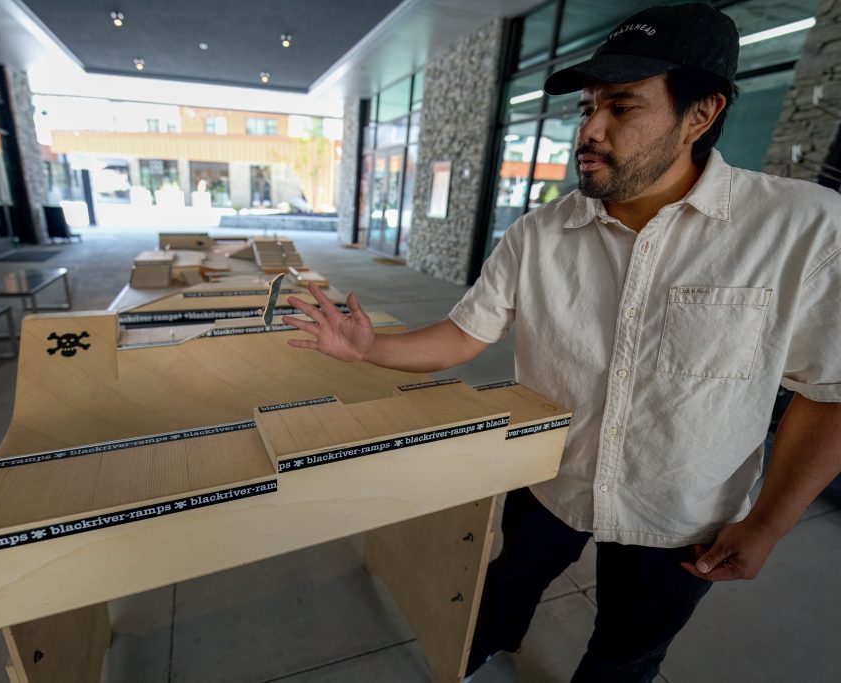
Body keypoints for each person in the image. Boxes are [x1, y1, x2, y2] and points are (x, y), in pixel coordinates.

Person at [283, 4, 841, 682]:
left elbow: (828, 392)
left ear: (700, 114)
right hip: (553, 478)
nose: (591, 130)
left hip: (683, 512)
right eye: (586, 108)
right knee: (499, 594)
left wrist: (768, 524)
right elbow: (464, 333)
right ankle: (481, 648)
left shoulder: (804, 231)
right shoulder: (539, 234)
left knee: (626, 655)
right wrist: (368, 346)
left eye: (621, 106)